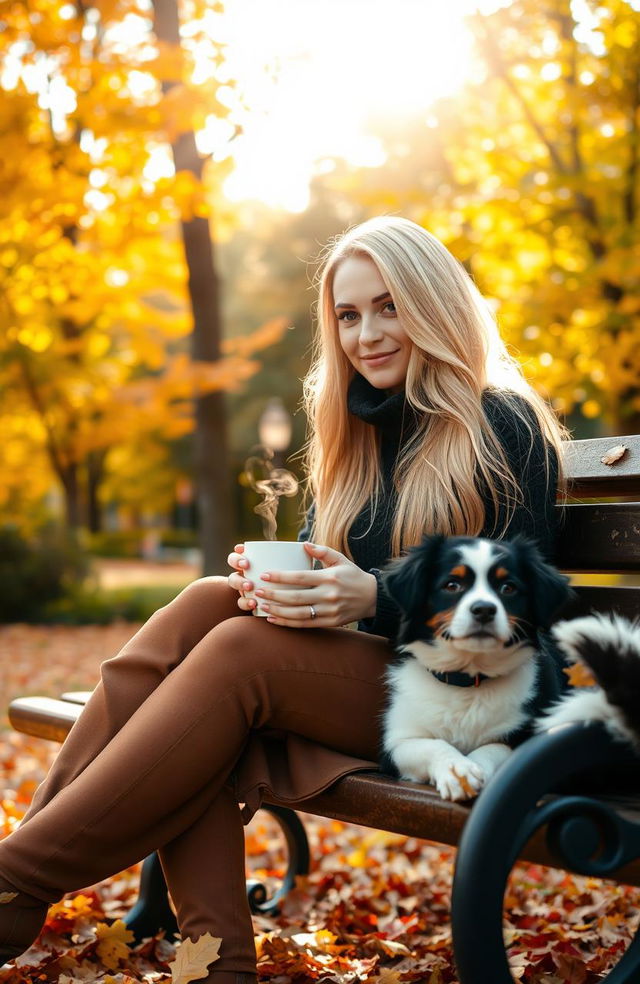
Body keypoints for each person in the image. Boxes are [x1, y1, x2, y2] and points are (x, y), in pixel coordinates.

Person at [0, 216, 568, 983]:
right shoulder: (355, 430)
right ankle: (211, 966)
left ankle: (16, 878)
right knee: (212, 606)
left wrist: (368, 594)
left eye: (389, 306)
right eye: (348, 314)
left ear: (434, 305)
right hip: (379, 684)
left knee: (236, 657)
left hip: (472, 699)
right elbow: (322, 573)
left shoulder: (500, 424)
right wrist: (275, 583)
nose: (367, 333)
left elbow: (519, 614)